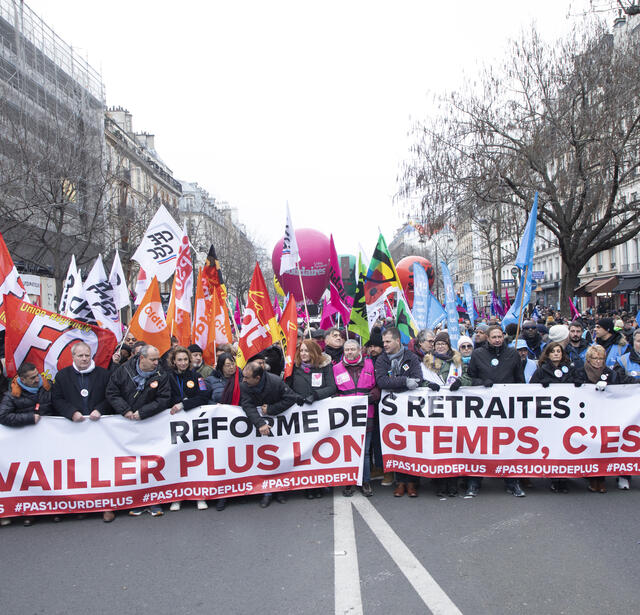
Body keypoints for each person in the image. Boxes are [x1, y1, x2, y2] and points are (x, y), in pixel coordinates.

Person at [52, 342, 115, 522]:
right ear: (73, 357)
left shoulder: (104, 374)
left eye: (87, 355)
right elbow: (56, 399)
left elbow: (111, 395)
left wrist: (100, 409)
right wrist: (71, 412)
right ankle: (80, 505)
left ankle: (107, 506)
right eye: (80, 356)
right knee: (78, 470)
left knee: (102, 470)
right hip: (75, 430)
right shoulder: (62, 376)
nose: (84, 359)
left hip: (100, 430)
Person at [106, 345, 171, 517]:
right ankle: (135, 499)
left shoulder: (161, 375)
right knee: (130, 465)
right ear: (142, 359)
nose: (157, 362)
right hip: (125, 424)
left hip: (149, 424)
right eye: (153, 359)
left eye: (158, 359)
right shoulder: (123, 371)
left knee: (151, 464)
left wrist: (143, 413)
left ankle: (154, 500)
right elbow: (112, 392)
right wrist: (125, 410)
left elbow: (164, 398)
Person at [467, 325, 526, 497]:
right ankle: (475, 481)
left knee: (508, 445)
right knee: (479, 445)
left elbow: (519, 380)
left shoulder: (512, 354)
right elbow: (470, 377)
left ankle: (512, 482)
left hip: (506, 408)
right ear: (487, 338)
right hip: (483, 408)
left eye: (500, 336)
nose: (497, 340)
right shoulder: (478, 354)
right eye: (494, 337)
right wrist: (481, 382)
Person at [574, 344, 635, 493]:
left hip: (605, 415)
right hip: (586, 416)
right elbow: (573, 387)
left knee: (602, 446)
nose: (598, 362)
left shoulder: (610, 373)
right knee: (589, 446)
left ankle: (600, 478)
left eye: (601, 359)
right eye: (594, 358)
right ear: (588, 359)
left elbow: (626, 384)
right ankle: (591, 477)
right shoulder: (580, 373)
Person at [0, 362, 53, 527]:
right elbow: (3, 416)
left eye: (38, 375)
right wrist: (29, 419)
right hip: (26, 446)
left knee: (50, 477)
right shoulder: (12, 395)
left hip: (49, 441)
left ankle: (55, 508)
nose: (37, 379)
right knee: (31, 480)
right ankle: (30, 512)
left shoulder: (46, 387)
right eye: (32, 378)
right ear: (22, 379)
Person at [239, 361, 299, 508]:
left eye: (247, 378)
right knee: (264, 461)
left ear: (257, 378)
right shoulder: (244, 385)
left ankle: (281, 491)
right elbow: (247, 405)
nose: (244, 380)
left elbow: (291, 398)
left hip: (280, 426)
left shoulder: (275, 382)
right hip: (260, 429)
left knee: (280, 457)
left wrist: (271, 410)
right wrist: (260, 423)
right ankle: (266, 493)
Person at [374, 327, 423, 497]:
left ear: (397, 341)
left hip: (411, 408)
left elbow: (417, 379)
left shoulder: (411, 357)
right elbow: (381, 381)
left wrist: (396, 381)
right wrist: (403, 380)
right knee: (397, 442)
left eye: (388, 342)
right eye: (384, 342)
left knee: (411, 442)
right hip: (391, 410)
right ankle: (400, 481)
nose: (385, 345)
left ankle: (412, 482)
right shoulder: (382, 360)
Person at [422, 331, 471, 497]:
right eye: (438, 344)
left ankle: (453, 482)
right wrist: (428, 384)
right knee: (438, 445)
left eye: (443, 344)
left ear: (448, 346)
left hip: (455, 409)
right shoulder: (427, 362)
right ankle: (440, 482)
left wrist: (460, 382)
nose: (440, 346)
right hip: (435, 410)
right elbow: (420, 379)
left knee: (454, 445)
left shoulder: (457, 363)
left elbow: (468, 377)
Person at [287, 339, 337, 498]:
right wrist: (297, 397)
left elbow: (331, 387)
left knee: (319, 449)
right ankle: (309, 486)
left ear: (314, 352)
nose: (303, 354)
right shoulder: (293, 367)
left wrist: (315, 395)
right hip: (300, 414)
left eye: (307, 351)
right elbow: (286, 387)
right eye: (301, 351)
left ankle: (321, 483)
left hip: (319, 413)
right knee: (304, 450)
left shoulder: (324, 366)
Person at [530, 341, 579, 494]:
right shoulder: (541, 371)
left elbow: (580, 383)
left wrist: (578, 383)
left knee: (565, 446)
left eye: (559, 351)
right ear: (548, 354)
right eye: (553, 351)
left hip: (567, 416)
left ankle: (563, 478)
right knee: (553, 445)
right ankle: (554, 477)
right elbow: (530, 390)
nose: (556, 353)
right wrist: (540, 386)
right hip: (549, 417)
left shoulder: (570, 369)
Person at [166, 346, 210, 512]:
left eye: (185, 359)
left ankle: (199, 495)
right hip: (174, 425)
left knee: (195, 459)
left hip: (193, 424)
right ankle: (177, 497)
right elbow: (165, 397)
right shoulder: (168, 377)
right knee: (177, 460)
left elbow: (204, 396)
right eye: (179, 360)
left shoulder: (197, 376)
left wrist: (184, 404)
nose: (183, 363)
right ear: (174, 361)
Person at [334, 339, 379, 498]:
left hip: (367, 414)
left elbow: (376, 386)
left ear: (359, 350)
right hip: (345, 417)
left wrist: (373, 395)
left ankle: (365, 481)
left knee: (365, 452)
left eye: (353, 349)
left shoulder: (369, 365)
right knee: (348, 451)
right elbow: (333, 390)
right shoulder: (336, 369)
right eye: (347, 350)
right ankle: (349, 481)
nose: (350, 352)